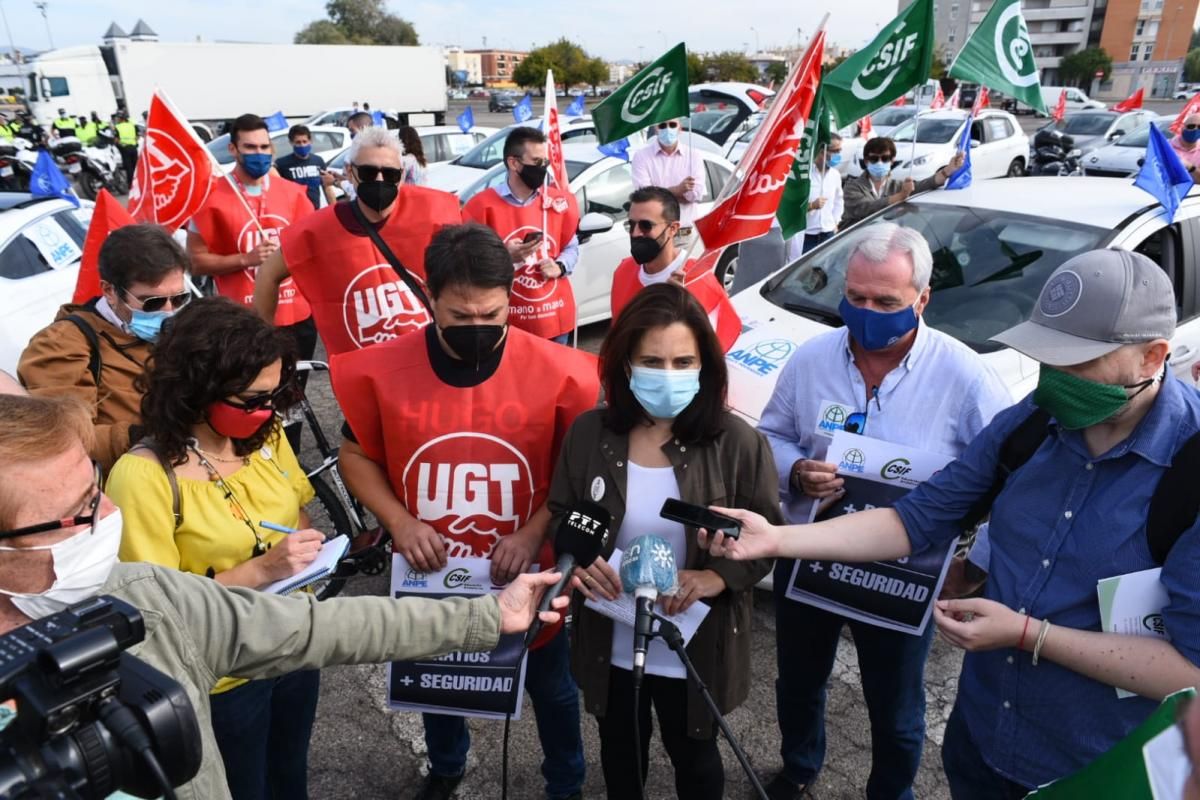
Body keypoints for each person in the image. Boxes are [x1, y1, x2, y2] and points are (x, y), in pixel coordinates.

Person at [703, 249, 1200, 798]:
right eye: (1046, 358)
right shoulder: (1031, 424)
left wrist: (1027, 635)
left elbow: (1190, 674)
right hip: (982, 741)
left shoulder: (1189, 472)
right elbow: (914, 519)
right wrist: (776, 538)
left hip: (1104, 769)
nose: (1055, 380)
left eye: (1078, 364)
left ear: (1153, 357)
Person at [0, 390, 569, 800]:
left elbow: (320, 629)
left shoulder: (142, 597)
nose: (110, 515)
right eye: (75, 514)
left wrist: (489, 614)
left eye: (96, 490)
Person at [331, 223, 598, 800]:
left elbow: (579, 475)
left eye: (493, 317)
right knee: (435, 674)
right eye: (461, 317)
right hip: (428, 567)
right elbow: (353, 456)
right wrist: (399, 523)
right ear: (428, 298)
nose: (478, 330)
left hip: (527, 568)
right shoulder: (382, 368)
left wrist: (532, 533)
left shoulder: (565, 371)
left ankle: (566, 782)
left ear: (510, 302)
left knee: (553, 685)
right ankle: (447, 767)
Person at [754, 223, 1010, 800]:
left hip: (904, 573)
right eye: (856, 298)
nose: (867, 313)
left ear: (922, 300)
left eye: (886, 302)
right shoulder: (811, 360)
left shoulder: (966, 379)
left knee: (895, 707)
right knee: (797, 682)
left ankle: (891, 793)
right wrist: (796, 470)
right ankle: (799, 767)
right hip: (811, 559)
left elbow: (1006, 478)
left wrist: (971, 566)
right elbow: (768, 436)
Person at [557, 282, 777, 799]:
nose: (669, 374)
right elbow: (562, 512)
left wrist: (715, 577)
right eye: (652, 361)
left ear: (706, 365)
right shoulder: (589, 434)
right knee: (620, 754)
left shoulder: (738, 443)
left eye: (683, 362)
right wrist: (579, 563)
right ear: (624, 363)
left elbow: (766, 535)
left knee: (696, 757)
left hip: (692, 642)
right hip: (611, 637)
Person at [105, 296, 322, 800]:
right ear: (196, 389)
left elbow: (298, 510)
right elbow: (156, 610)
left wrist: (303, 546)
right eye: (251, 399)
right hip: (225, 675)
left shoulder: (264, 435)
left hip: (294, 643)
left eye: (275, 394)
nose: (268, 411)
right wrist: (264, 569)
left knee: (291, 774)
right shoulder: (142, 478)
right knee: (245, 786)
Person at [255, 127, 461, 356]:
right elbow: (267, 274)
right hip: (364, 367)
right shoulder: (317, 229)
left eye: (390, 174)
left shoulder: (436, 210)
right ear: (350, 172)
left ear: (401, 176)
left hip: (431, 358)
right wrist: (264, 347)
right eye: (369, 172)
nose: (380, 180)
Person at [18, 224, 191, 471]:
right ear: (110, 291)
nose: (168, 310)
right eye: (153, 302)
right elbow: (66, 438)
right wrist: (142, 438)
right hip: (130, 485)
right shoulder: (60, 346)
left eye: (178, 298)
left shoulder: (180, 329)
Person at [187, 113, 317, 418]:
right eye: (250, 147)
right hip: (241, 321)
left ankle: (290, 457)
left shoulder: (292, 193)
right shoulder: (211, 198)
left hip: (295, 318)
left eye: (264, 147)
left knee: (292, 404)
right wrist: (246, 259)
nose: (258, 154)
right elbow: (195, 262)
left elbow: (313, 251)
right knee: (250, 403)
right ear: (233, 149)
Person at [461, 127, 580, 343]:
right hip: (507, 322)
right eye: (536, 162)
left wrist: (561, 266)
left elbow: (571, 245)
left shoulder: (557, 202)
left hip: (555, 316)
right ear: (514, 163)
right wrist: (505, 257)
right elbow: (467, 263)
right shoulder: (481, 207)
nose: (543, 168)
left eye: (545, 162)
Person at [609, 186, 740, 351]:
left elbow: (715, 350)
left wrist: (684, 308)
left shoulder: (697, 279)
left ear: (672, 229)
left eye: (645, 226)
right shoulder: (623, 271)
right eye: (631, 225)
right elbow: (617, 337)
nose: (635, 233)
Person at [841, 136, 964, 228]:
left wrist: (948, 170)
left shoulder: (898, 186)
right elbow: (866, 209)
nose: (879, 162)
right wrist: (900, 196)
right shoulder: (852, 187)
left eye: (885, 158)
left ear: (892, 160)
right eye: (874, 159)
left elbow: (926, 184)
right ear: (866, 161)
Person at [632, 118, 707, 249]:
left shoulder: (693, 156)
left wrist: (659, 195)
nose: (667, 129)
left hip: (684, 233)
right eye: (662, 125)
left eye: (672, 125)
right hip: (654, 234)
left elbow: (697, 195)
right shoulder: (641, 156)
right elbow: (644, 197)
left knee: (685, 269)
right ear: (656, 128)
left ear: (680, 128)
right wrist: (677, 191)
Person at [800, 134, 845, 255]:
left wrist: (835, 223)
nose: (838, 154)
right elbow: (792, 208)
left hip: (828, 234)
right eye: (835, 150)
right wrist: (811, 206)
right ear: (821, 151)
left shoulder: (835, 175)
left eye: (840, 150)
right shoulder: (804, 175)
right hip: (806, 236)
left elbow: (838, 202)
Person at [275, 124, 336, 210]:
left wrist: (333, 209)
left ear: (310, 141)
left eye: (304, 141)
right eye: (298, 142)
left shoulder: (318, 161)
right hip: (294, 212)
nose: (302, 145)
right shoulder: (282, 164)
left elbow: (327, 187)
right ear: (291, 142)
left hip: (314, 210)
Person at [1171, 113, 1200, 181]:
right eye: (1191, 126)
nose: (1195, 130)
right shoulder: (1167, 147)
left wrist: (1190, 167)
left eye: (1199, 127)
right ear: (1183, 128)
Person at [114, 111, 138, 181]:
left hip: (125, 148)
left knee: (129, 168)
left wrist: (119, 145)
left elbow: (116, 140)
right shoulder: (132, 125)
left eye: (117, 117)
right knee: (136, 166)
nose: (116, 119)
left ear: (121, 118)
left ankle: (131, 184)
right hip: (134, 148)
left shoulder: (118, 127)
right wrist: (134, 143)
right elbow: (137, 136)